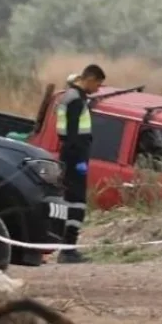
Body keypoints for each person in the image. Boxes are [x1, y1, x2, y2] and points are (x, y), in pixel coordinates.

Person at [56, 63, 106, 263]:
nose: (98, 89)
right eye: (98, 84)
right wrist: (78, 161)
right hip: (74, 157)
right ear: (90, 79)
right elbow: (74, 136)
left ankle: (66, 248)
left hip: (69, 156)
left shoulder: (71, 96)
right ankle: (68, 250)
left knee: (69, 201)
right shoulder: (76, 100)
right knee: (77, 202)